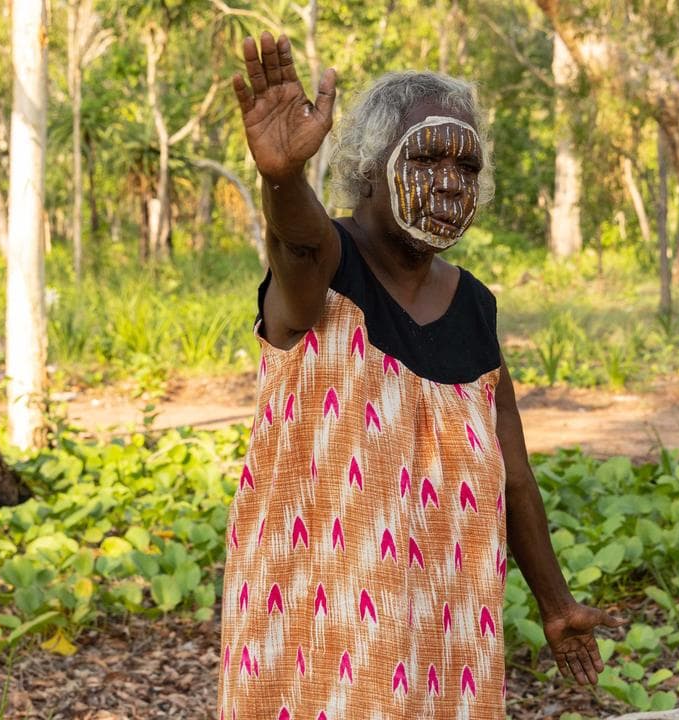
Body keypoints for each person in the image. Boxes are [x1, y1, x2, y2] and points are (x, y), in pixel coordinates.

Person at [218, 31, 623, 720]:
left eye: (466, 167)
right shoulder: (325, 265)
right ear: (369, 170)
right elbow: (297, 241)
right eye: (428, 156)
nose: (448, 181)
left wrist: (556, 606)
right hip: (322, 623)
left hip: (444, 625)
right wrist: (282, 178)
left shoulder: (473, 306)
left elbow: (513, 471)